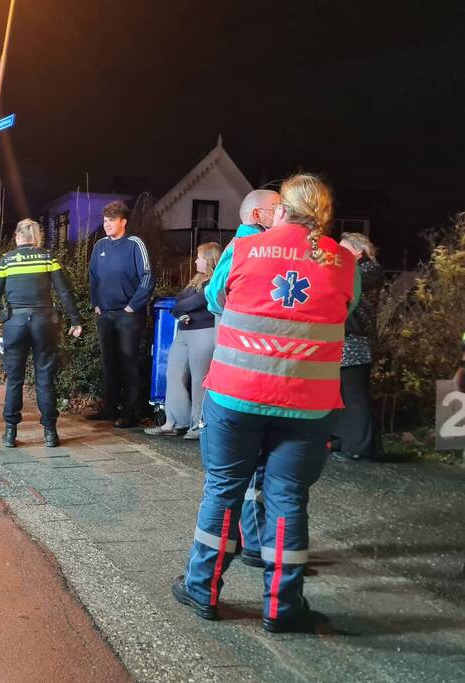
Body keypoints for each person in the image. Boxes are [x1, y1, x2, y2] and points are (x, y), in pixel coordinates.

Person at [172, 173, 360, 633]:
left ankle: (203, 589)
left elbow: (215, 298)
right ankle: (282, 606)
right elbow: (346, 310)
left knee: (223, 490)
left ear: (280, 211)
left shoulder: (244, 248)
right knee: (288, 498)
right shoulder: (342, 261)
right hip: (307, 406)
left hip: (236, 397)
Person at [207, 189, 280, 568]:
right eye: (276, 206)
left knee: (246, 473)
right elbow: (214, 295)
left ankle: (242, 548)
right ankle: (248, 543)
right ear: (257, 214)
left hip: (247, 377)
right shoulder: (246, 245)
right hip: (254, 376)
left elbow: (217, 296)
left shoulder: (264, 245)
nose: (281, 210)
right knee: (248, 472)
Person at [0, 219, 82, 448]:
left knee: (15, 379)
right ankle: (50, 433)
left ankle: (10, 432)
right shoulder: (47, 257)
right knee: (45, 378)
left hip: (15, 324)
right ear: (36, 237)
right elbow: (64, 291)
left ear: (18, 236)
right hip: (44, 322)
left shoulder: (6, 260)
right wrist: (75, 320)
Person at [88, 199, 155, 429]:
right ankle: (110, 408)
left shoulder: (135, 244)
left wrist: (132, 306)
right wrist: (95, 302)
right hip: (105, 314)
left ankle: (130, 412)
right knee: (109, 362)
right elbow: (93, 277)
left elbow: (147, 276)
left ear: (123, 222)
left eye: (111, 220)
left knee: (128, 362)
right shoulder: (100, 247)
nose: (107, 224)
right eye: (105, 220)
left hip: (128, 315)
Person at [144, 242, 221, 440]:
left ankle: (198, 425)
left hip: (203, 332)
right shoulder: (196, 280)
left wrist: (179, 311)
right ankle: (175, 421)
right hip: (185, 332)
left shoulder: (215, 282)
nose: (196, 260)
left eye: (199, 257)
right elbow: (179, 302)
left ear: (209, 260)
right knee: (174, 373)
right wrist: (181, 311)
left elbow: (194, 303)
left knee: (199, 381)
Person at [330, 232, 384, 462]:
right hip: (348, 341)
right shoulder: (359, 271)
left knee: (354, 396)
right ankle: (349, 441)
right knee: (346, 394)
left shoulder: (367, 271)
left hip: (356, 342)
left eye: (343, 249)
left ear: (358, 251)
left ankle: (360, 448)